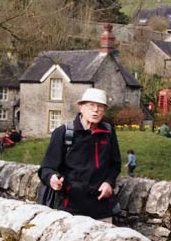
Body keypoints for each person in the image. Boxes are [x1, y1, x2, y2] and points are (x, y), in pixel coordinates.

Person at [38, 88, 121, 221]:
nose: (95, 110)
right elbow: (46, 168)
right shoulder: (63, 132)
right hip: (70, 209)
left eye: (100, 106)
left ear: (104, 110)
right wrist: (52, 178)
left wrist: (108, 182)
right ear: (81, 107)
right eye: (91, 105)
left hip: (101, 208)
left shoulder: (108, 132)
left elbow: (115, 164)